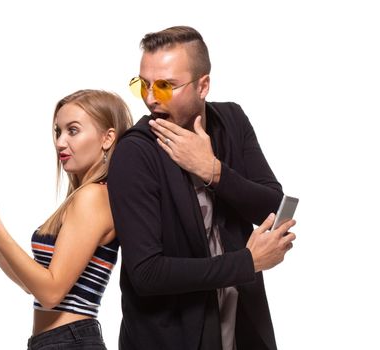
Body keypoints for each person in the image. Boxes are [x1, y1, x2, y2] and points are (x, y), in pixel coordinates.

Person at [107, 26, 297, 350]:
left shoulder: (232, 120)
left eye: (166, 86)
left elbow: (274, 207)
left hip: (243, 328)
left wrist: (213, 171)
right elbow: (146, 273)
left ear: (203, 85)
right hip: (172, 338)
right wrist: (246, 263)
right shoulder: (134, 153)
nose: (151, 98)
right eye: (143, 84)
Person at [0, 89, 133, 349]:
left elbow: (50, 293)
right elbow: (34, 287)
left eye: (73, 130)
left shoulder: (93, 197)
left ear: (107, 138)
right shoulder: (83, 197)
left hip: (70, 341)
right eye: (57, 131)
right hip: (55, 341)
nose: (60, 142)